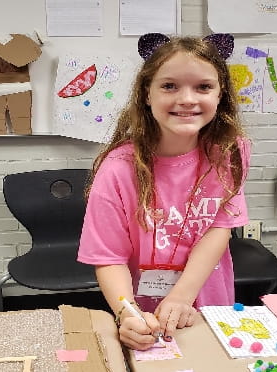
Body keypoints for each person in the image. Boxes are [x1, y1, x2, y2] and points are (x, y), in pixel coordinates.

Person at [77, 33, 250, 351]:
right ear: (147, 93)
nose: (187, 99)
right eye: (169, 86)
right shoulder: (118, 168)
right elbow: (109, 256)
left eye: (203, 87)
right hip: (142, 309)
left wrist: (183, 295)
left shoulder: (229, 151)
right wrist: (126, 314)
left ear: (220, 93)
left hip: (208, 296)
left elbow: (218, 228)